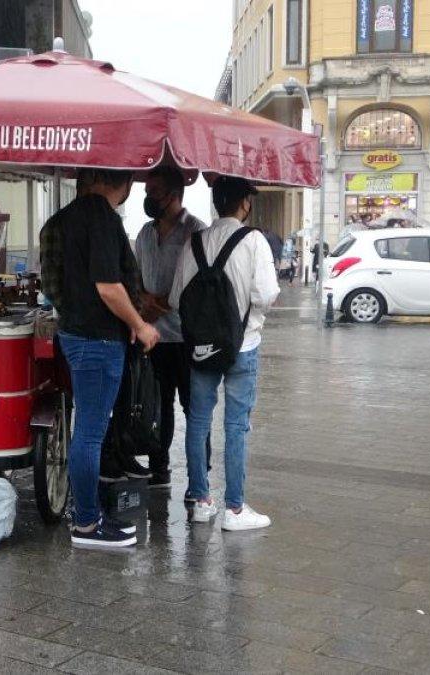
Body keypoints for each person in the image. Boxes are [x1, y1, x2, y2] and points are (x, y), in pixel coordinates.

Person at [47, 167, 158, 548]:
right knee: (90, 435)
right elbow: (109, 287)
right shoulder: (101, 218)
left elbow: (57, 285)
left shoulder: (64, 219)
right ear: (121, 182)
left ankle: (87, 515)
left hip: (76, 334)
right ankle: (87, 525)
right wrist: (139, 325)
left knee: (87, 431)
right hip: (97, 341)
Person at [170, 176, 278, 531]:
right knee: (236, 426)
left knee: (198, 421)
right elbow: (265, 294)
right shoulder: (254, 241)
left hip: (201, 348)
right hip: (243, 346)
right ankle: (234, 509)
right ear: (245, 202)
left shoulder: (195, 241)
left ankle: (201, 501)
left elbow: (175, 299)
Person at [132, 166, 208, 488]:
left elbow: (199, 286)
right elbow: (135, 280)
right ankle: (159, 468)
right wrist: (143, 302)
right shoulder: (145, 234)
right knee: (157, 408)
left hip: (187, 338)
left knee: (195, 409)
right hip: (153, 339)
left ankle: (199, 477)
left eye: (154, 192)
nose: (148, 198)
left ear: (174, 195)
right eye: (147, 192)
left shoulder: (197, 233)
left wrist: (160, 304)